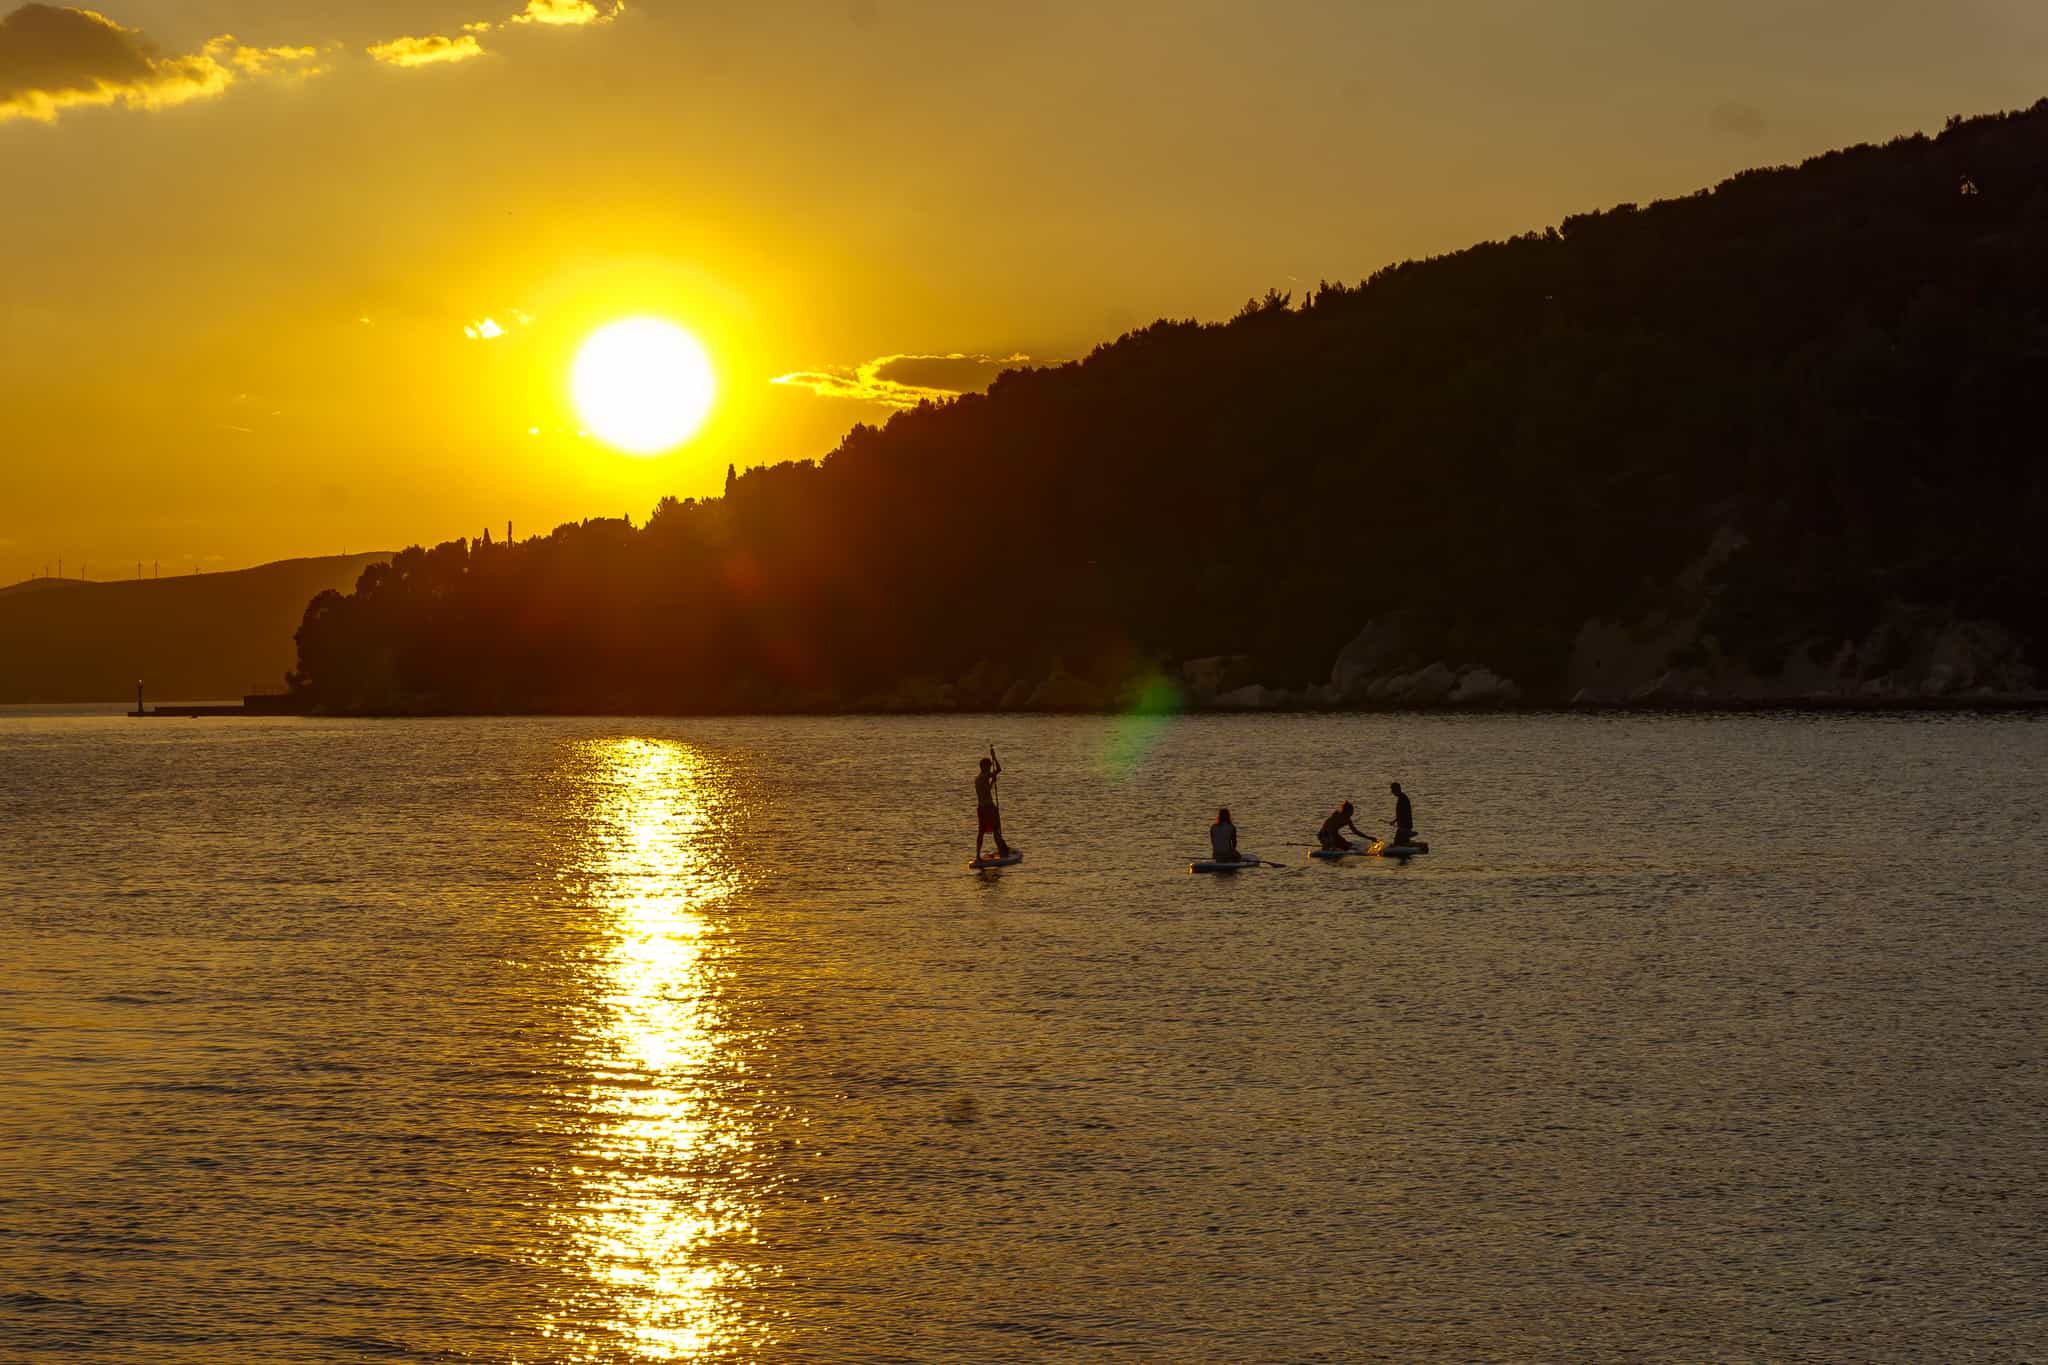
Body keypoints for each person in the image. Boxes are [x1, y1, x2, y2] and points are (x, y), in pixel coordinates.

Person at [975, 748, 1011, 860]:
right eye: (989, 767)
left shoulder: (978, 779)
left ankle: (978, 855)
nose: (990, 769)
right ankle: (1002, 851)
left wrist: (992, 782)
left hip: (981, 808)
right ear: (984, 767)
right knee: (995, 829)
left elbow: (986, 791)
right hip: (989, 808)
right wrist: (994, 757)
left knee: (981, 832)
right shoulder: (984, 776)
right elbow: (999, 769)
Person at [1388, 782, 1416, 846]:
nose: (1391, 792)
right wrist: (1395, 821)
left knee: (1397, 843)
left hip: (1404, 826)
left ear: (1396, 790)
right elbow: (1401, 814)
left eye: (1392, 790)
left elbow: (1403, 814)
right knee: (1404, 842)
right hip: (1405, 825)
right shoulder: (1402, 797)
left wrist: (1395, 821)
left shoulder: (1402, 799)